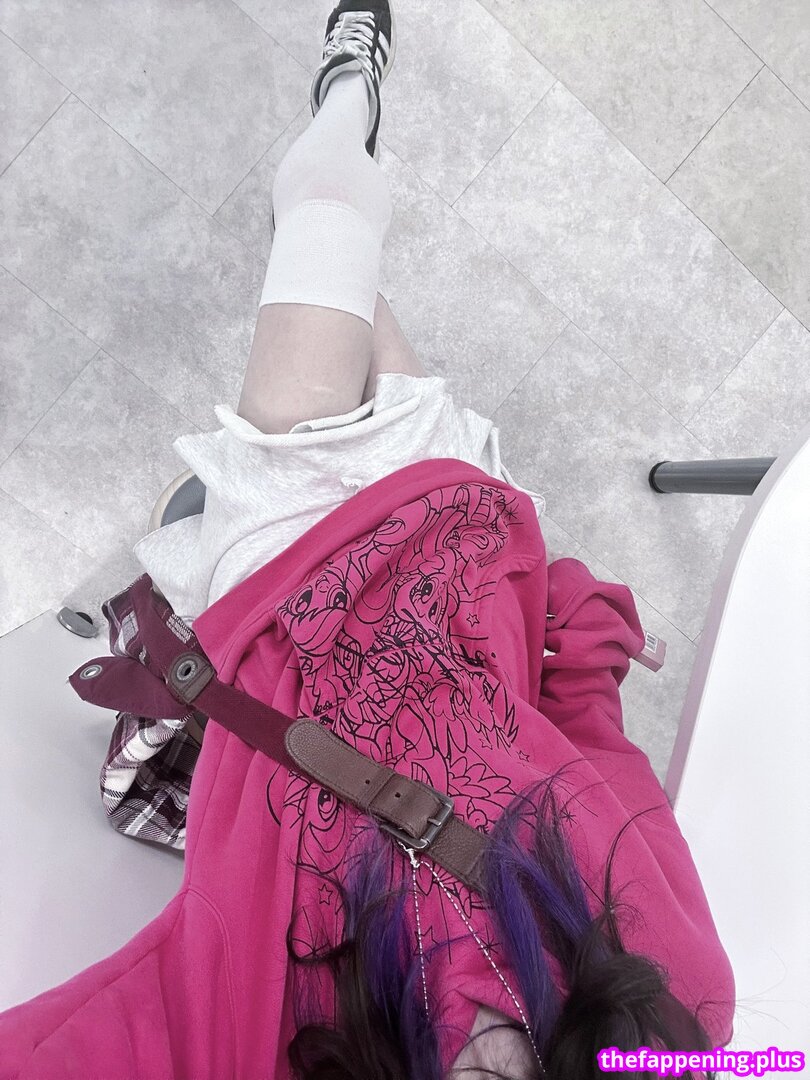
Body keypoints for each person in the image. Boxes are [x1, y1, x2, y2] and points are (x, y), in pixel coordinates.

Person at [0, 3, 736, 1078]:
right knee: (346, 281)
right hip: (462, 568)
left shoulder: (254, 1047)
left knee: (329, 222)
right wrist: (582, 629)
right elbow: (608, 770)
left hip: (289, 578)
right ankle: (332, 160)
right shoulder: (680, 1015)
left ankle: (346, 92)